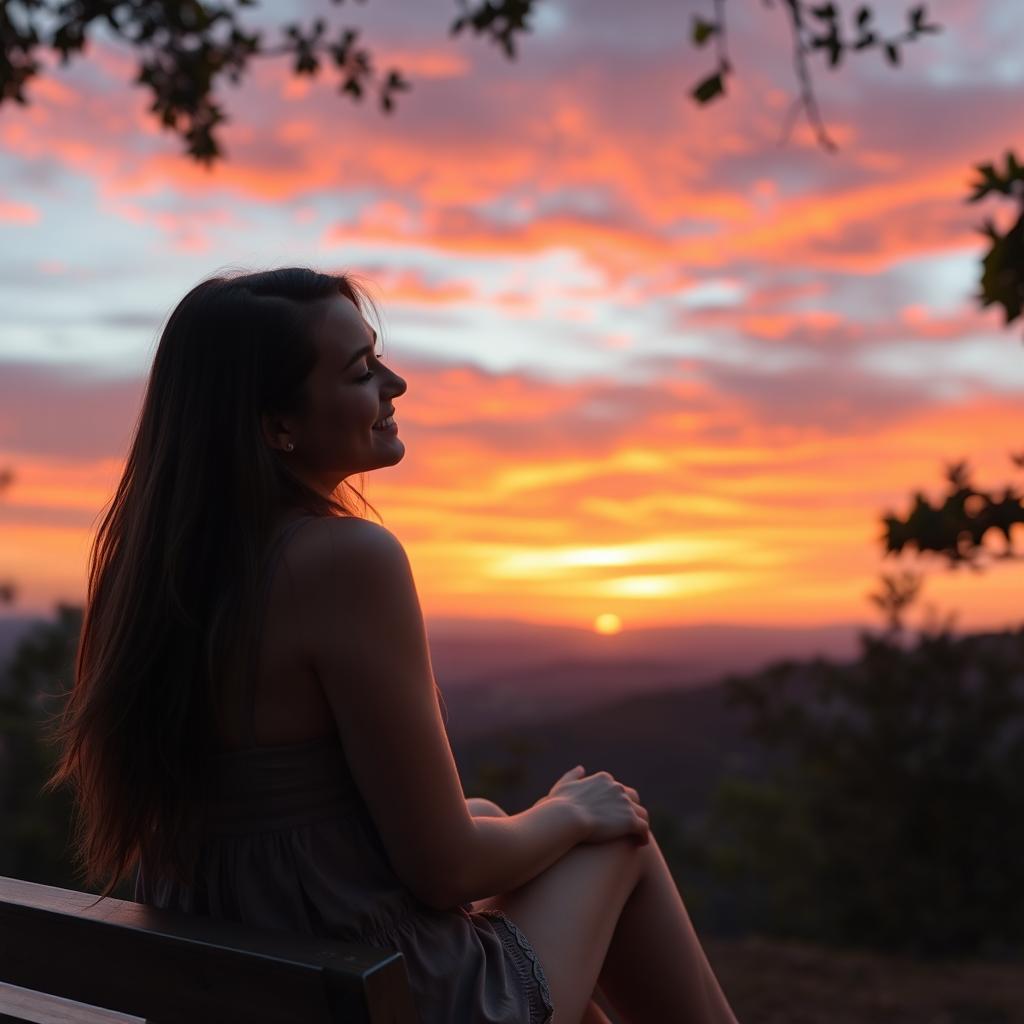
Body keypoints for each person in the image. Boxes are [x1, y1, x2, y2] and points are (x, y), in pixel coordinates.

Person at [45, 268, 741, 1024]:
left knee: (483, 811)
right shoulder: (343, 560)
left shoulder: (145, 577)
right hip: (371, 999)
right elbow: (447, 870)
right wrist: (571, 812)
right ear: (276, 424)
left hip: (231, 977)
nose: (396, 383)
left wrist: (522, 824)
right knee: (612, 839)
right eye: (361, 370)